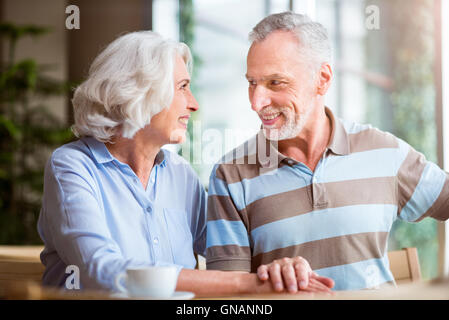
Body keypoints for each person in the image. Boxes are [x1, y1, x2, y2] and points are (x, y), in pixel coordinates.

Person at [37, 30, 333, 296]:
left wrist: (280, 268)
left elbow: (229, 253)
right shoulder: (73, 166)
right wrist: (246, 282)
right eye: (182, 87)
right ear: (137, 90)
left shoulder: (181, 175)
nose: (193, 103)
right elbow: (102, 271)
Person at [206, 12, 449, 291]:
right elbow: (225, 295)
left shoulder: (383, 152)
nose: (257, 102)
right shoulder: (230, 175)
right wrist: (266, 280)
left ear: (322, 79)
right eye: (252, 83)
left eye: (275, 82)